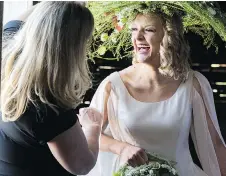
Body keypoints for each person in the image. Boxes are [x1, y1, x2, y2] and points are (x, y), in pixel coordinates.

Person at [84, 2, 226, 176]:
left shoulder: (193, 83)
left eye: (149, 30)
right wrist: (121, 148)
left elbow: (215, 144)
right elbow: (89, 135)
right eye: (134, 29)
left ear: (168, 35)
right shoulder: (113, 85)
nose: (138, 37)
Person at [0, 2, 103, 176]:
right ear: (71, 50)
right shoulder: (48, 107)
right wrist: (93, 127)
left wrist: (59, 4)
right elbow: (82, 165)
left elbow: (16, 21)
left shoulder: (9, 58)